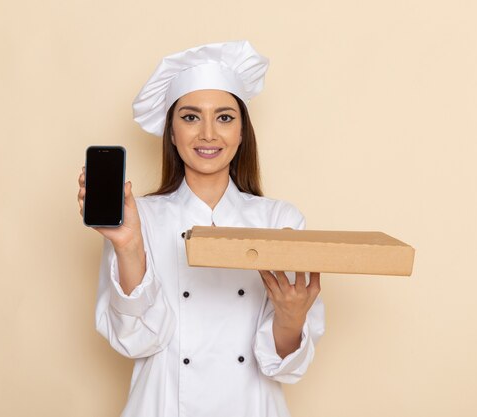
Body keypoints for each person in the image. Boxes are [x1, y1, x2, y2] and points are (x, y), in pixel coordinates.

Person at [77, 41, 325, 417]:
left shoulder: (280, 221)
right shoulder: (136, 217)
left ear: (242, 132)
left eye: (224, 117)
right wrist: (128, 246)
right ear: (171, 133)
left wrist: (291, 319)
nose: (208, 133)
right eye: (191, 117)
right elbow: (136, 342)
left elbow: (284, 366)